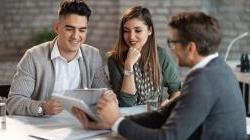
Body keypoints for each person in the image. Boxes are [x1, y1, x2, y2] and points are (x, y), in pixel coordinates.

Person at [73, 11, 247, 140]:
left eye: (173, 42)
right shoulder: (216, 69)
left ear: (191, 48)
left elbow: (167, 138)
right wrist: (109, 122)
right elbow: (163, 114)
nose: (171, 48)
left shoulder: (203, 80)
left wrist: (117, 122)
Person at [7, 0, 110, 117]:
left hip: (81, 126)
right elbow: (13, 102)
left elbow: (105, 94)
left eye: (82, 30)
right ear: (57, 27)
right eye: (69, 29)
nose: (76, 36)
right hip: (43, 128)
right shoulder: (33, 57)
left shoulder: (94, 56)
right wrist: (43, 107)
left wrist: (109, 98)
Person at [107, 6, 181, 107]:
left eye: (137, 31)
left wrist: (166, 107)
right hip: (127, 116)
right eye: (126, 31)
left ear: (149, 30)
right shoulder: (114, 59)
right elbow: (126, 102)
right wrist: (129, 65)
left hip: (153, 115)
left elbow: (176, 90)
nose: (131, 37)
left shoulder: (161, 55)